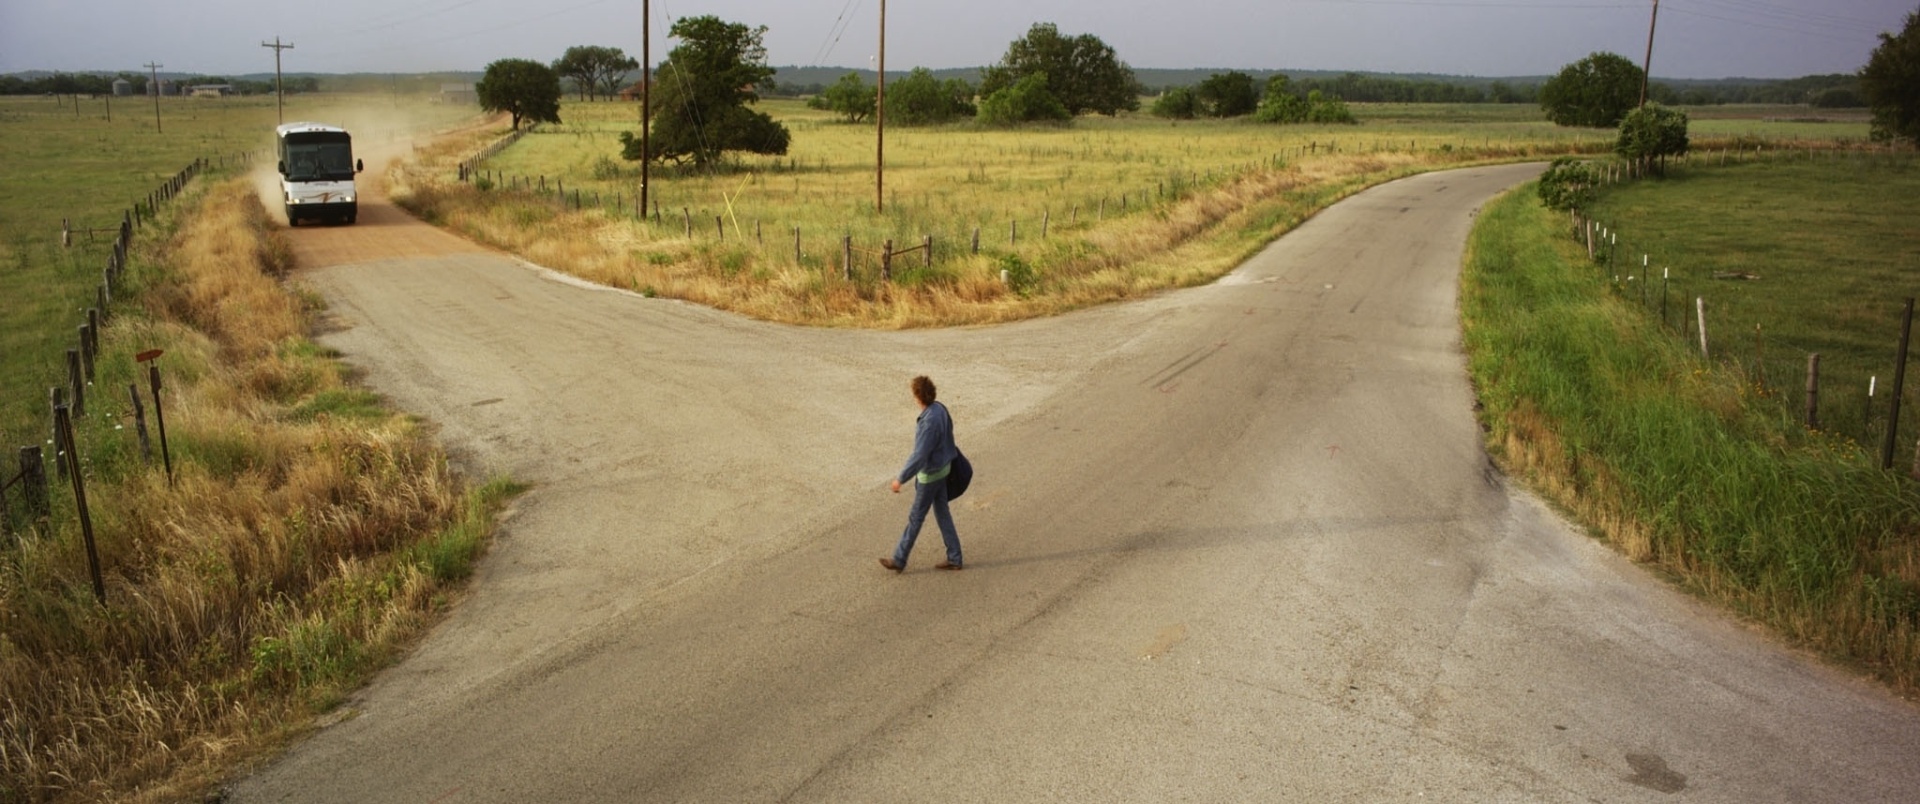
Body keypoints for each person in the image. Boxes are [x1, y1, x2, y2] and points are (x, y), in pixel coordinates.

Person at [880, 375, 963, 573]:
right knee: (942, 513)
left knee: (916, 518)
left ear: (919, 397)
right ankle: (955, 557)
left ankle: (899, 558)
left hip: (931, 476)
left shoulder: (929, 423)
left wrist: (900, 479)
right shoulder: (940, 409)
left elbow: (919, 455)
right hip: (944, 469)